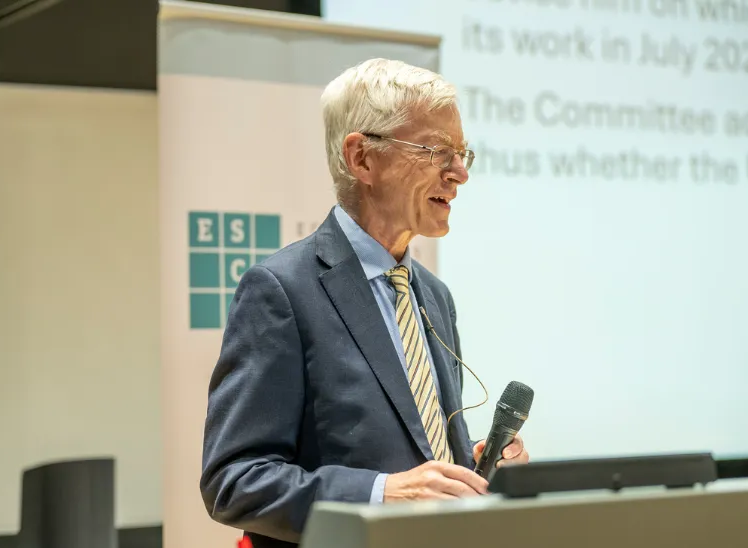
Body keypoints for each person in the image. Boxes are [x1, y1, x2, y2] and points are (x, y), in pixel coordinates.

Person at [199, 58, 529, 548]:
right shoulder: (281, 290)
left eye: (462, 154)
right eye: (437, 151)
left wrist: (478, 470)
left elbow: (422, 458)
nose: (459, 173)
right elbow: (234, 482)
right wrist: (380, 493)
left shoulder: (434, 296)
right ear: (362, 158)